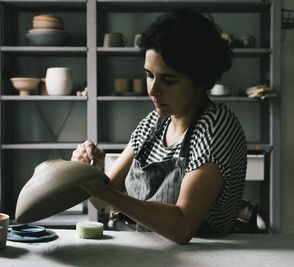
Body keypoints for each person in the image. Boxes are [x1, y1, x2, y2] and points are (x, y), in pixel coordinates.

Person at [71, 9, 247, 244]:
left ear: (201, 80)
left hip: (205, 256)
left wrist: (104, 191)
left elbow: (183, 226)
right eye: (149, 75)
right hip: (151, 250)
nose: (153, 90)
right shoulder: (153, 123)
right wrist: (91, 173)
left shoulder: (215, 126)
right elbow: (103, 201)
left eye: (168, 79)